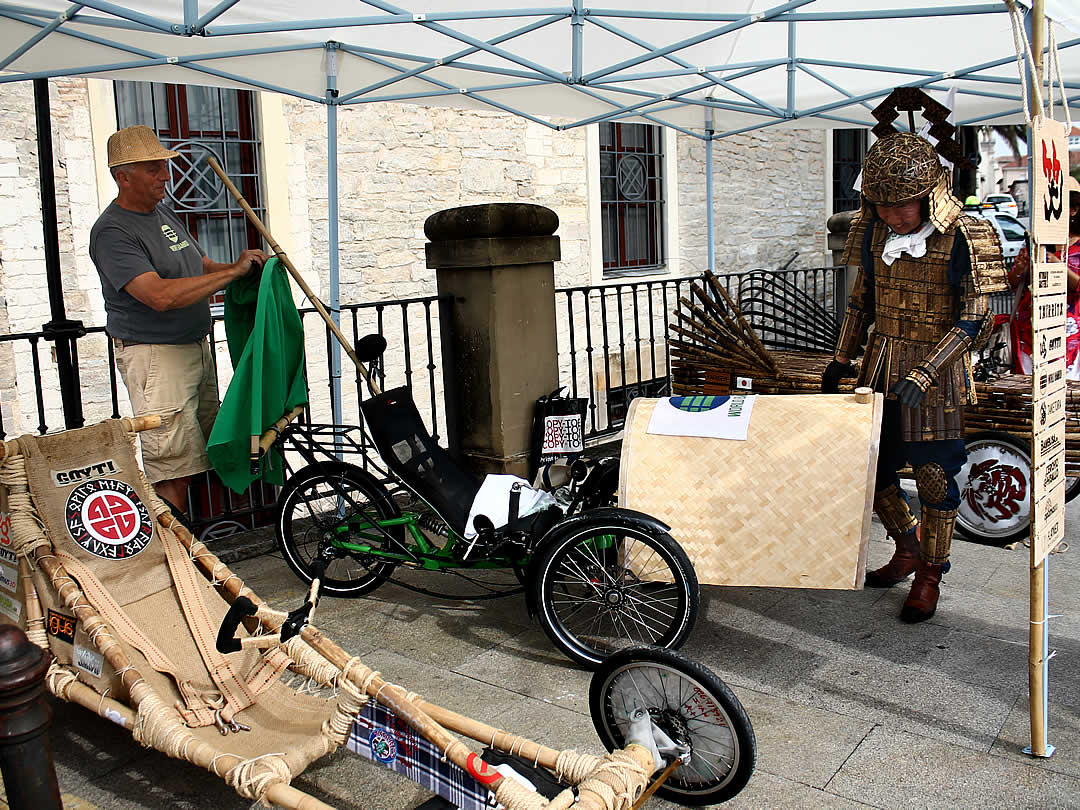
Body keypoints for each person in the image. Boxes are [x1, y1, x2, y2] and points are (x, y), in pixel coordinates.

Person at [822, 132, 1007, 623]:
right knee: (874, 468)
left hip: (939, 374)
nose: (889, 216)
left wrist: (927, 371)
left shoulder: (967, 234)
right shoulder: (874, 232)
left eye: (899, 205)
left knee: (932, 477)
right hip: (881, 364)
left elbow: (979, 315)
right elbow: (862, 300)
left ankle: (931, 572)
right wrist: (842, 359)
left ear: (929, 194)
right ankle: (906, 546)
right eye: (879, 205)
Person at [89, 125, 266, 518]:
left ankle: (195, 554)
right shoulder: (112, 232)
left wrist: (248, 267)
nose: (165, 176)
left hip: (194, 349)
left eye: (163, 167)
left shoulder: (162, 213)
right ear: (124, 176)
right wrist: (232, 273)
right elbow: (159, 295)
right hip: (156, 358)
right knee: (173, 468)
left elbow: (198, 264)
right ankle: (177, 563)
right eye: (153, 169)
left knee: (207, 449)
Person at [1008, 176, 1080, 378]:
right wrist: (1020, 269)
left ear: (1073, 210)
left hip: (1067, 335)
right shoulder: (1035, 243)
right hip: (1030, 332)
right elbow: (1013, 283)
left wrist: (1058, 267)